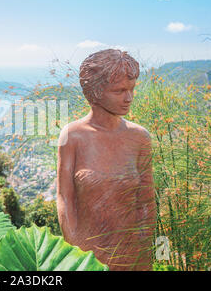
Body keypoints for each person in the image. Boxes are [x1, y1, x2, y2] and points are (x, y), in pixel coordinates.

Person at [56, 49, 156, 271]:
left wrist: (149, 253)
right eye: (119, 91)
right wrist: (76, 254)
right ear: (95, 92)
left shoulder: (140, 137)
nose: (128, 98)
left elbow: (147, 203)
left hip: (133, 256)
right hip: (87, 256)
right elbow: (65, 199)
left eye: (131, 89)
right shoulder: (72, 136)